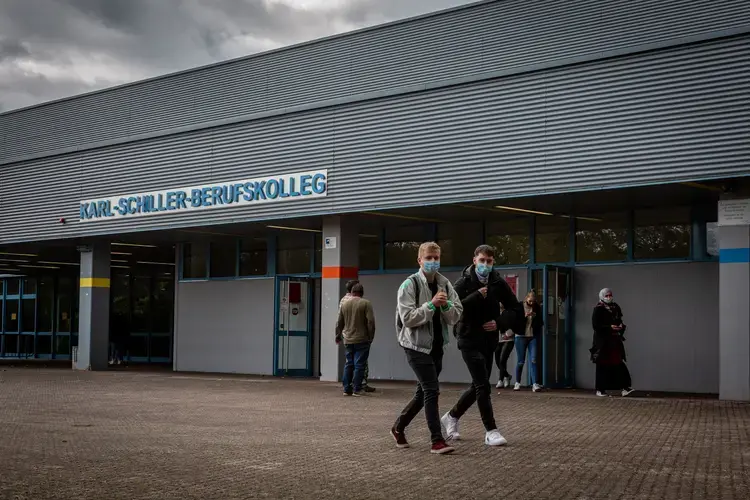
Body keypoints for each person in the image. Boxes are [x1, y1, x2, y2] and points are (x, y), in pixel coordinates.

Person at [441, 244, 522, 447]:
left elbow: (515, 307)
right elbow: (452, 308)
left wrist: (500, 323)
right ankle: (491, 430)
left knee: (479, 384)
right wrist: (476, 296)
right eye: (482, 260)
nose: (485, 265)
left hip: (489, 340)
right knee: (483, 385)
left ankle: (451, 416)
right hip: (468, 339)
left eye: (489, 261)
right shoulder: (463, 282)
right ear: (474, 260)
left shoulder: (497, 283)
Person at [391, 241, 463, 455]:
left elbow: (457, 313)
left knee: (423, 393)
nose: (433, 262)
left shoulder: (445, 283)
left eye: (436, 258)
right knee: (432, 390)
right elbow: (408, 318)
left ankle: (398, 427)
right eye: (429, 258)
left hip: (436, 346)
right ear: (420, 260)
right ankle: (437, 440)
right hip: (415, 346)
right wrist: (431, 305)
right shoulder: (409, 285)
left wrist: (446, 305)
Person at [589, 288, 634, 397]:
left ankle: (625, 387)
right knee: (602, 365)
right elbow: (596, 326)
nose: (609, 297)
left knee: (618, 362)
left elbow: (619, 321)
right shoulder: (598, 309)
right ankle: (600, 389)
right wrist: (609, 327)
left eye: (610, 295)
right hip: (603, 342)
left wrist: (620, 327)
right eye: (606, 296)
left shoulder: (615, 307)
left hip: (614, 340)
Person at [335, 283, 376, 396]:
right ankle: (356, 389)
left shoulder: (345, 304)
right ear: (362, 293)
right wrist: (370, 336)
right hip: (362, 339)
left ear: (352, 292)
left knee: (349, 363)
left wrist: (338, 335)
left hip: (348, 339)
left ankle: (346, 388)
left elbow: (339, 322)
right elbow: (371, 322)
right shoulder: (366, 303)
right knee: (359, 364)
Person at [513, 291, 543, 392]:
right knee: (521, 361)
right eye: (530, 301)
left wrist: (535, 317)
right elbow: (515, 322)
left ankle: (535, 384)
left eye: (533, 302)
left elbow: (541, 322)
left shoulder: (537, 307)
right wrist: (525, 316)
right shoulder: (519, 307)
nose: (531, 303)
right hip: (520, 336)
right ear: (526, 299)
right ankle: (517, 382)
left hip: (532, 336)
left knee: (533, 359)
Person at [495, 303, 515, 389]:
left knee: (502, 360)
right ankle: (507, 376)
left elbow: (515, 324)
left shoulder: (510, 313)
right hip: (498, 339)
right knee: (497, 361)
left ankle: (500, 380)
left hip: (508, 339)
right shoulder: (495, 313)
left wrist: (508, 333)